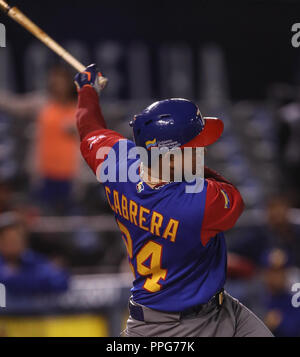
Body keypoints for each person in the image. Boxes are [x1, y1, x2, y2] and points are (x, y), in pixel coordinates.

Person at [74, 64, 273, 337]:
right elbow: (234, 199)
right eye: (193, 147)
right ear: (166, 155)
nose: (202, 151)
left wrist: (87, 91)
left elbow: (89, 130)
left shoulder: (117, 163)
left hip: (222, 310)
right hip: (167, 329)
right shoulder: (196, 204)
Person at [0, 65, 79, 214]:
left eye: (61, 80)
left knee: (68, 220)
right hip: (44, 176)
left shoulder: (79, 109)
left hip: (70, 178)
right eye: (54, 80)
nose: (57, 84)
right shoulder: (42, 104)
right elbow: (14, 105)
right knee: (42, 220)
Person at [0, 212, 69, 295]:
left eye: (18, 238)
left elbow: (60, 281)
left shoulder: (34, 260)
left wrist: (17, 278)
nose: (14, 243)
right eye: (9, 239)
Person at [261, 248, 300, 337]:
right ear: (264, 272)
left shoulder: (294, 299)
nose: (277, 276)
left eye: (281, 271)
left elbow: (295, 329)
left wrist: (280, 322)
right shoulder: (254, 295)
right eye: (273, 271)